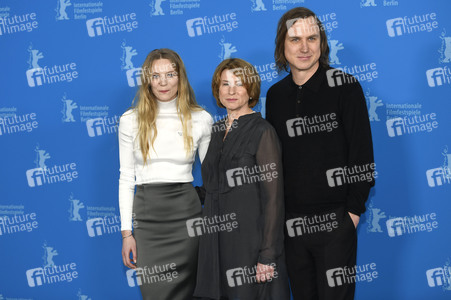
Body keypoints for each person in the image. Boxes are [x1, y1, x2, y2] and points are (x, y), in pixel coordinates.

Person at [266, 7, 375, 300]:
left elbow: (362, 154)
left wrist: (351, 214)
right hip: (291, 227)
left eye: (312, 38)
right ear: (282, 45)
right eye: (295, 39)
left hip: (336, 223)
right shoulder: (275, 97)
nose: (304, 47)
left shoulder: (345, 86)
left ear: (322, 44)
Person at [118, 48, 213, 300]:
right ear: (147, 80)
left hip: (187, 219)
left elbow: (213, 178)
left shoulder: (201, 119)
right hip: (147, 222)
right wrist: (127, 233)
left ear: (180, 77)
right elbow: (127, 178)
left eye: (170, 74)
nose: (163, 82)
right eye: (156, 75)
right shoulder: (130, 120)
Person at [193, 58, 290, 300]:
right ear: (218, 90)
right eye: (225, 84)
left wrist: (267, 255)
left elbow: (274, 199)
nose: (232, 91)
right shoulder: (215, 132)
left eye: (239, 84)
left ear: (251, 89)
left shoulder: (263, 131)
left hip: (250, 244)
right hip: (215, 243)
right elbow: (212, 187)